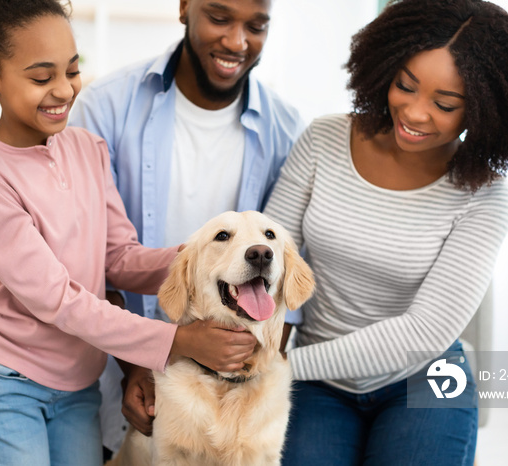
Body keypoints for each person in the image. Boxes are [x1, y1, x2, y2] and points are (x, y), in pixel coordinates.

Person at [0, 1, 256, 464]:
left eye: (72, 70)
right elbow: (59, 300)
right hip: (7, 386)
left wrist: (203, 256)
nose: (63, 90)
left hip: (79, 386)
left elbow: (118, 258)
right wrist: (177, 342)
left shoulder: (87, 149)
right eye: (41, 77)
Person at [263, 0, 508, 464]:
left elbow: (423, 332)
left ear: (483, 110)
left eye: (444, 104)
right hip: (319, 384)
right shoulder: (323, 140)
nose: (415, 114)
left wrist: (277, 369)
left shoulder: (487, 199)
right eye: (405, 86)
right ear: (383, 69)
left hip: (424, 379)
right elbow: (271, 259)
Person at [68, 0, 304, 456]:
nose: (237, 42)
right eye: (219, 18)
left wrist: (255, 370)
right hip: (123, 373)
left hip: (238, 387)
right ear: (184, 8)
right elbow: (92, 261)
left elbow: (284, 280)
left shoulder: (286, 128)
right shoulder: (104, 108)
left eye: (256, 26)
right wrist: (138, 366)